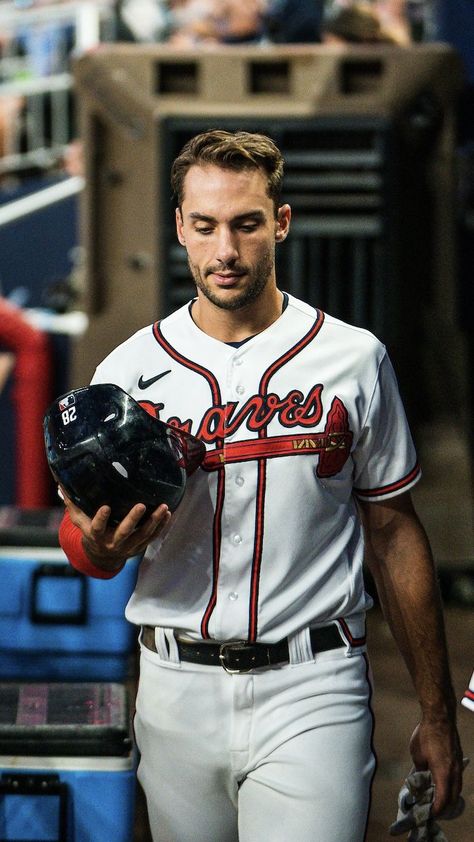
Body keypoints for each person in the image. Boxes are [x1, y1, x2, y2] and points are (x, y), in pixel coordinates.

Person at [58, 129, 464, 842]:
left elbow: (394, 532)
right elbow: (83, 537)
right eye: (206, 226)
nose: (226, 250)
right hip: (175, 684)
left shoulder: (353, 357)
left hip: (315, 685)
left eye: (247, 224)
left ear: (279, 221)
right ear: (179, 226)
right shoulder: (126, 371)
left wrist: (435, 714)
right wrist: (98, 545)